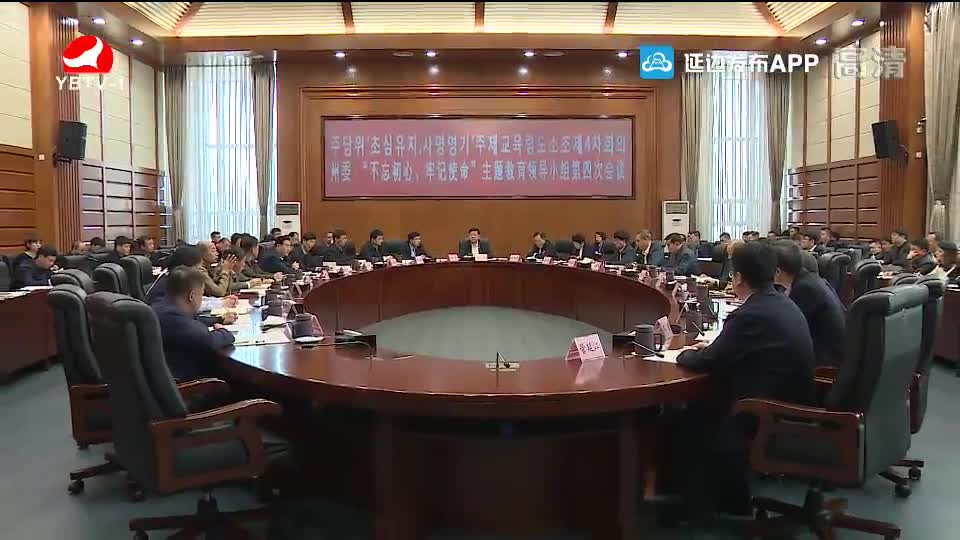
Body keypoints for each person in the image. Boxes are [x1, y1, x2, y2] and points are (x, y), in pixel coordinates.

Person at [667, 242, 815, 515]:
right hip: (791, 404)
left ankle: (699, 505)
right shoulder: (782, 302)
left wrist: (683, 354)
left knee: (683, 416)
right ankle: (727, 497)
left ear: (737, 277)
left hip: (766, 413)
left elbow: (709, 360)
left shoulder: (750, 314)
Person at [152, 267, 235, 381]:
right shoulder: (174, 319)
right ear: (191, 296)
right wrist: (224, 332)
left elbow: (192, 319)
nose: (201, 299)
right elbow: (208, 341)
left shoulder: (162, 306)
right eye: (201, 294)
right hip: (185, 385)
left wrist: (218, 319)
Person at [772, 241, 846, 368]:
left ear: (778, 271)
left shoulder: (804, 289)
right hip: (828, 352)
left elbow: (786, 331)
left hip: (825, 362)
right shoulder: (809, 279)